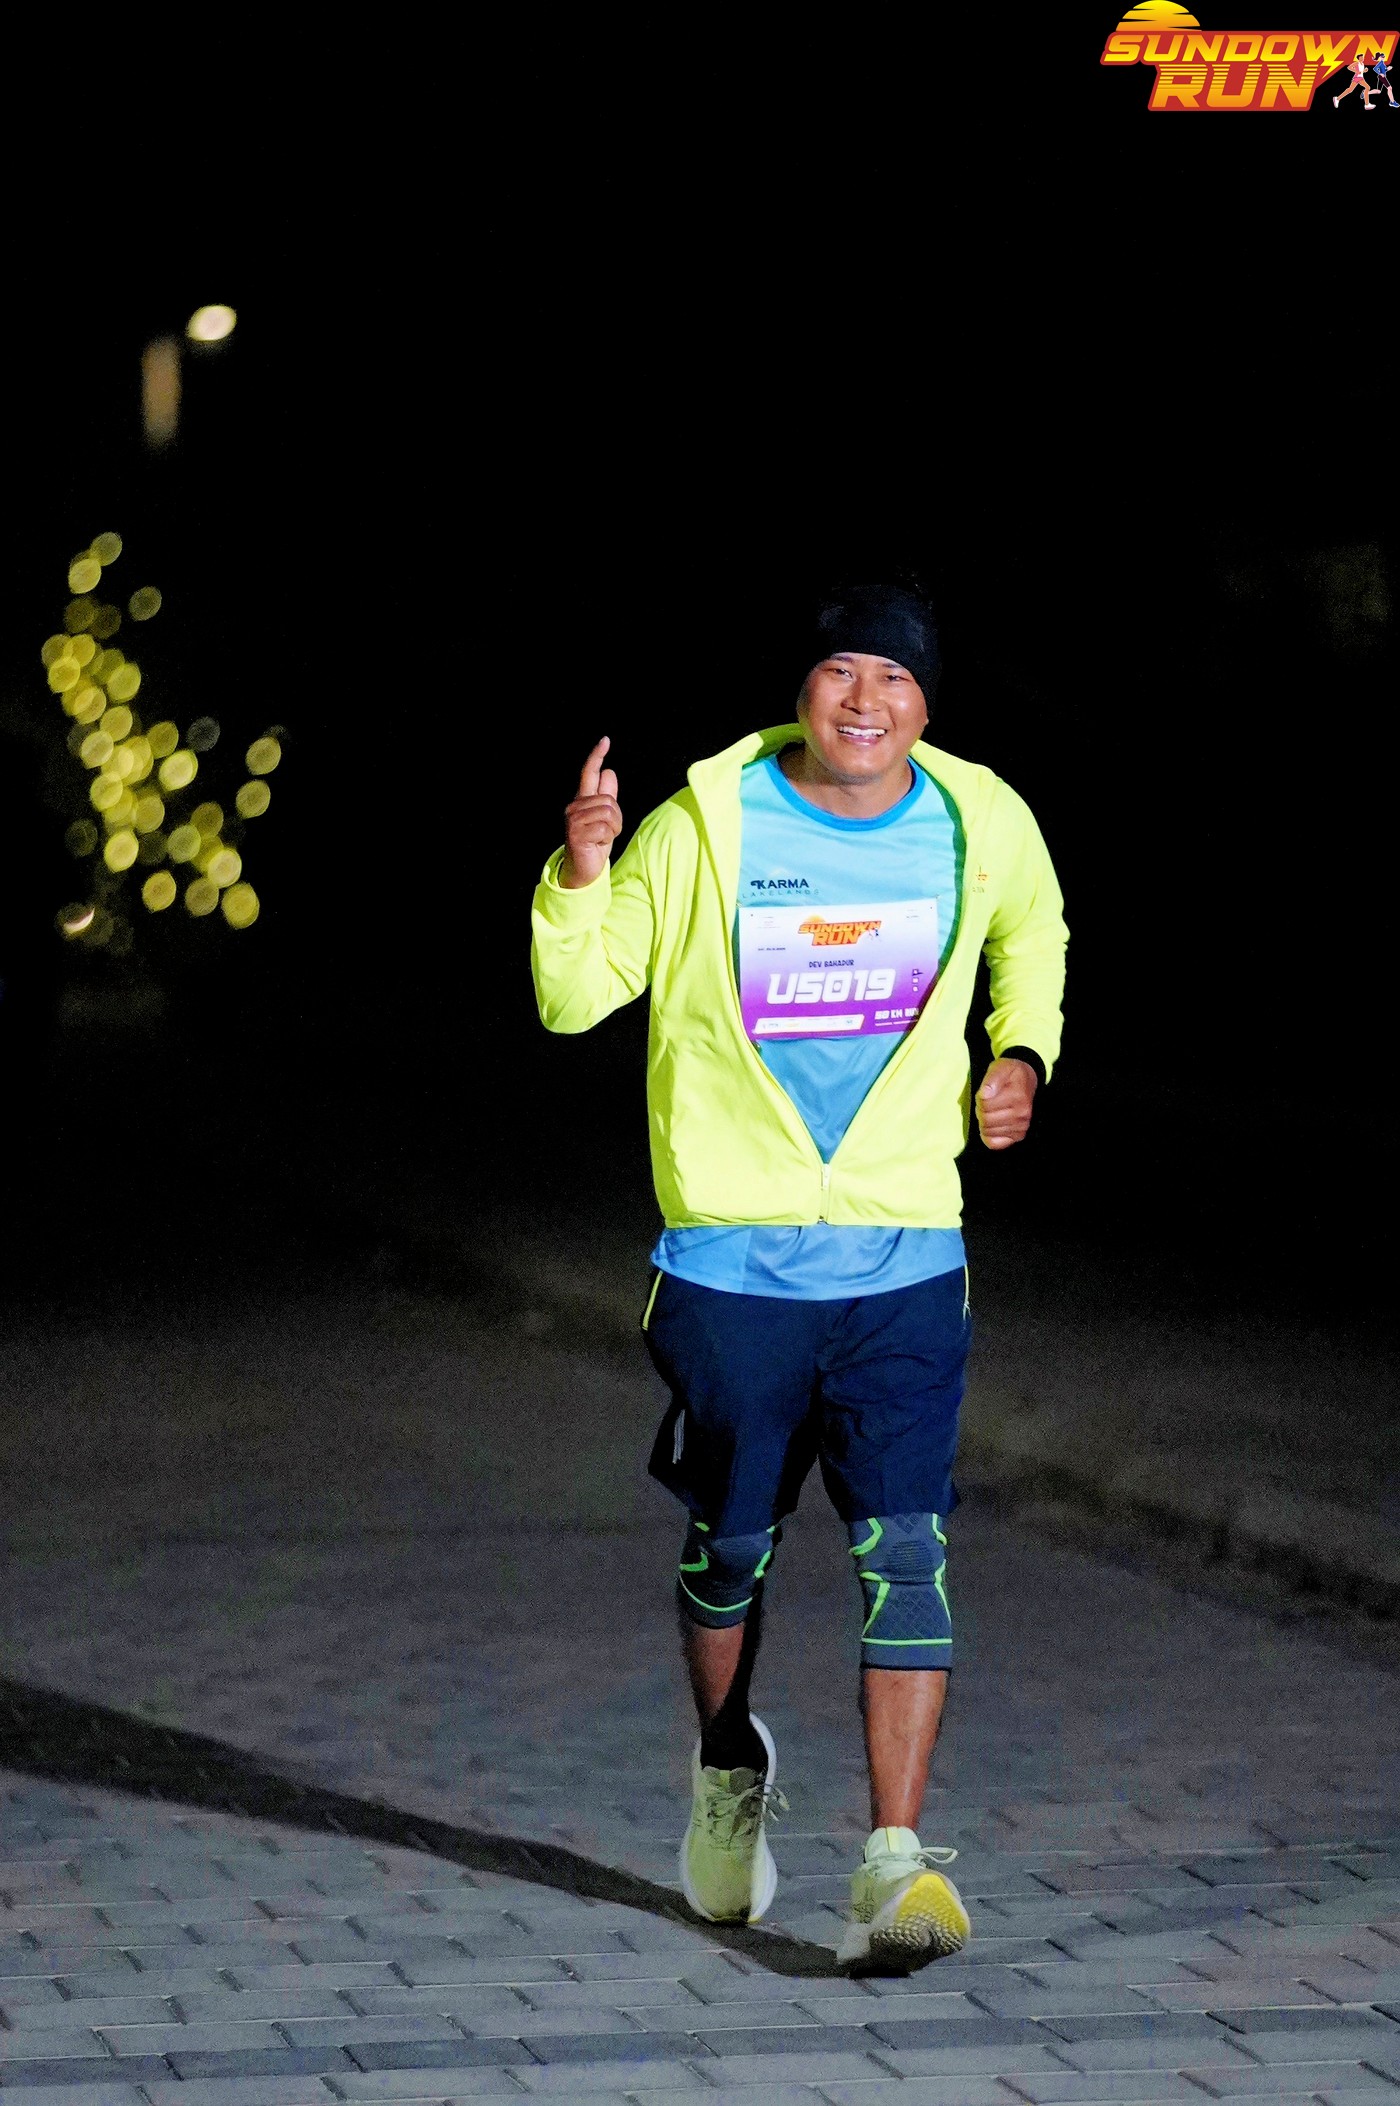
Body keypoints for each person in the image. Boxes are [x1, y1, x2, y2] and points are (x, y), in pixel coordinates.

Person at [530, 583, 1067, 1972]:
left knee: (908, 1551)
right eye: (842, 671)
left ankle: (894, 1864)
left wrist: (1021, 1051)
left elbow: (1037, 931)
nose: (866, 700)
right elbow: (575, 996)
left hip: (905, 1254)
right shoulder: (707, 822)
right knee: (731, 1547)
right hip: (731, 1262)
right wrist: (581, 874)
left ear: (926, 703)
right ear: (804, 690)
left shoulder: (980, 819)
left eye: (895, 676)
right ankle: (726, 1761)